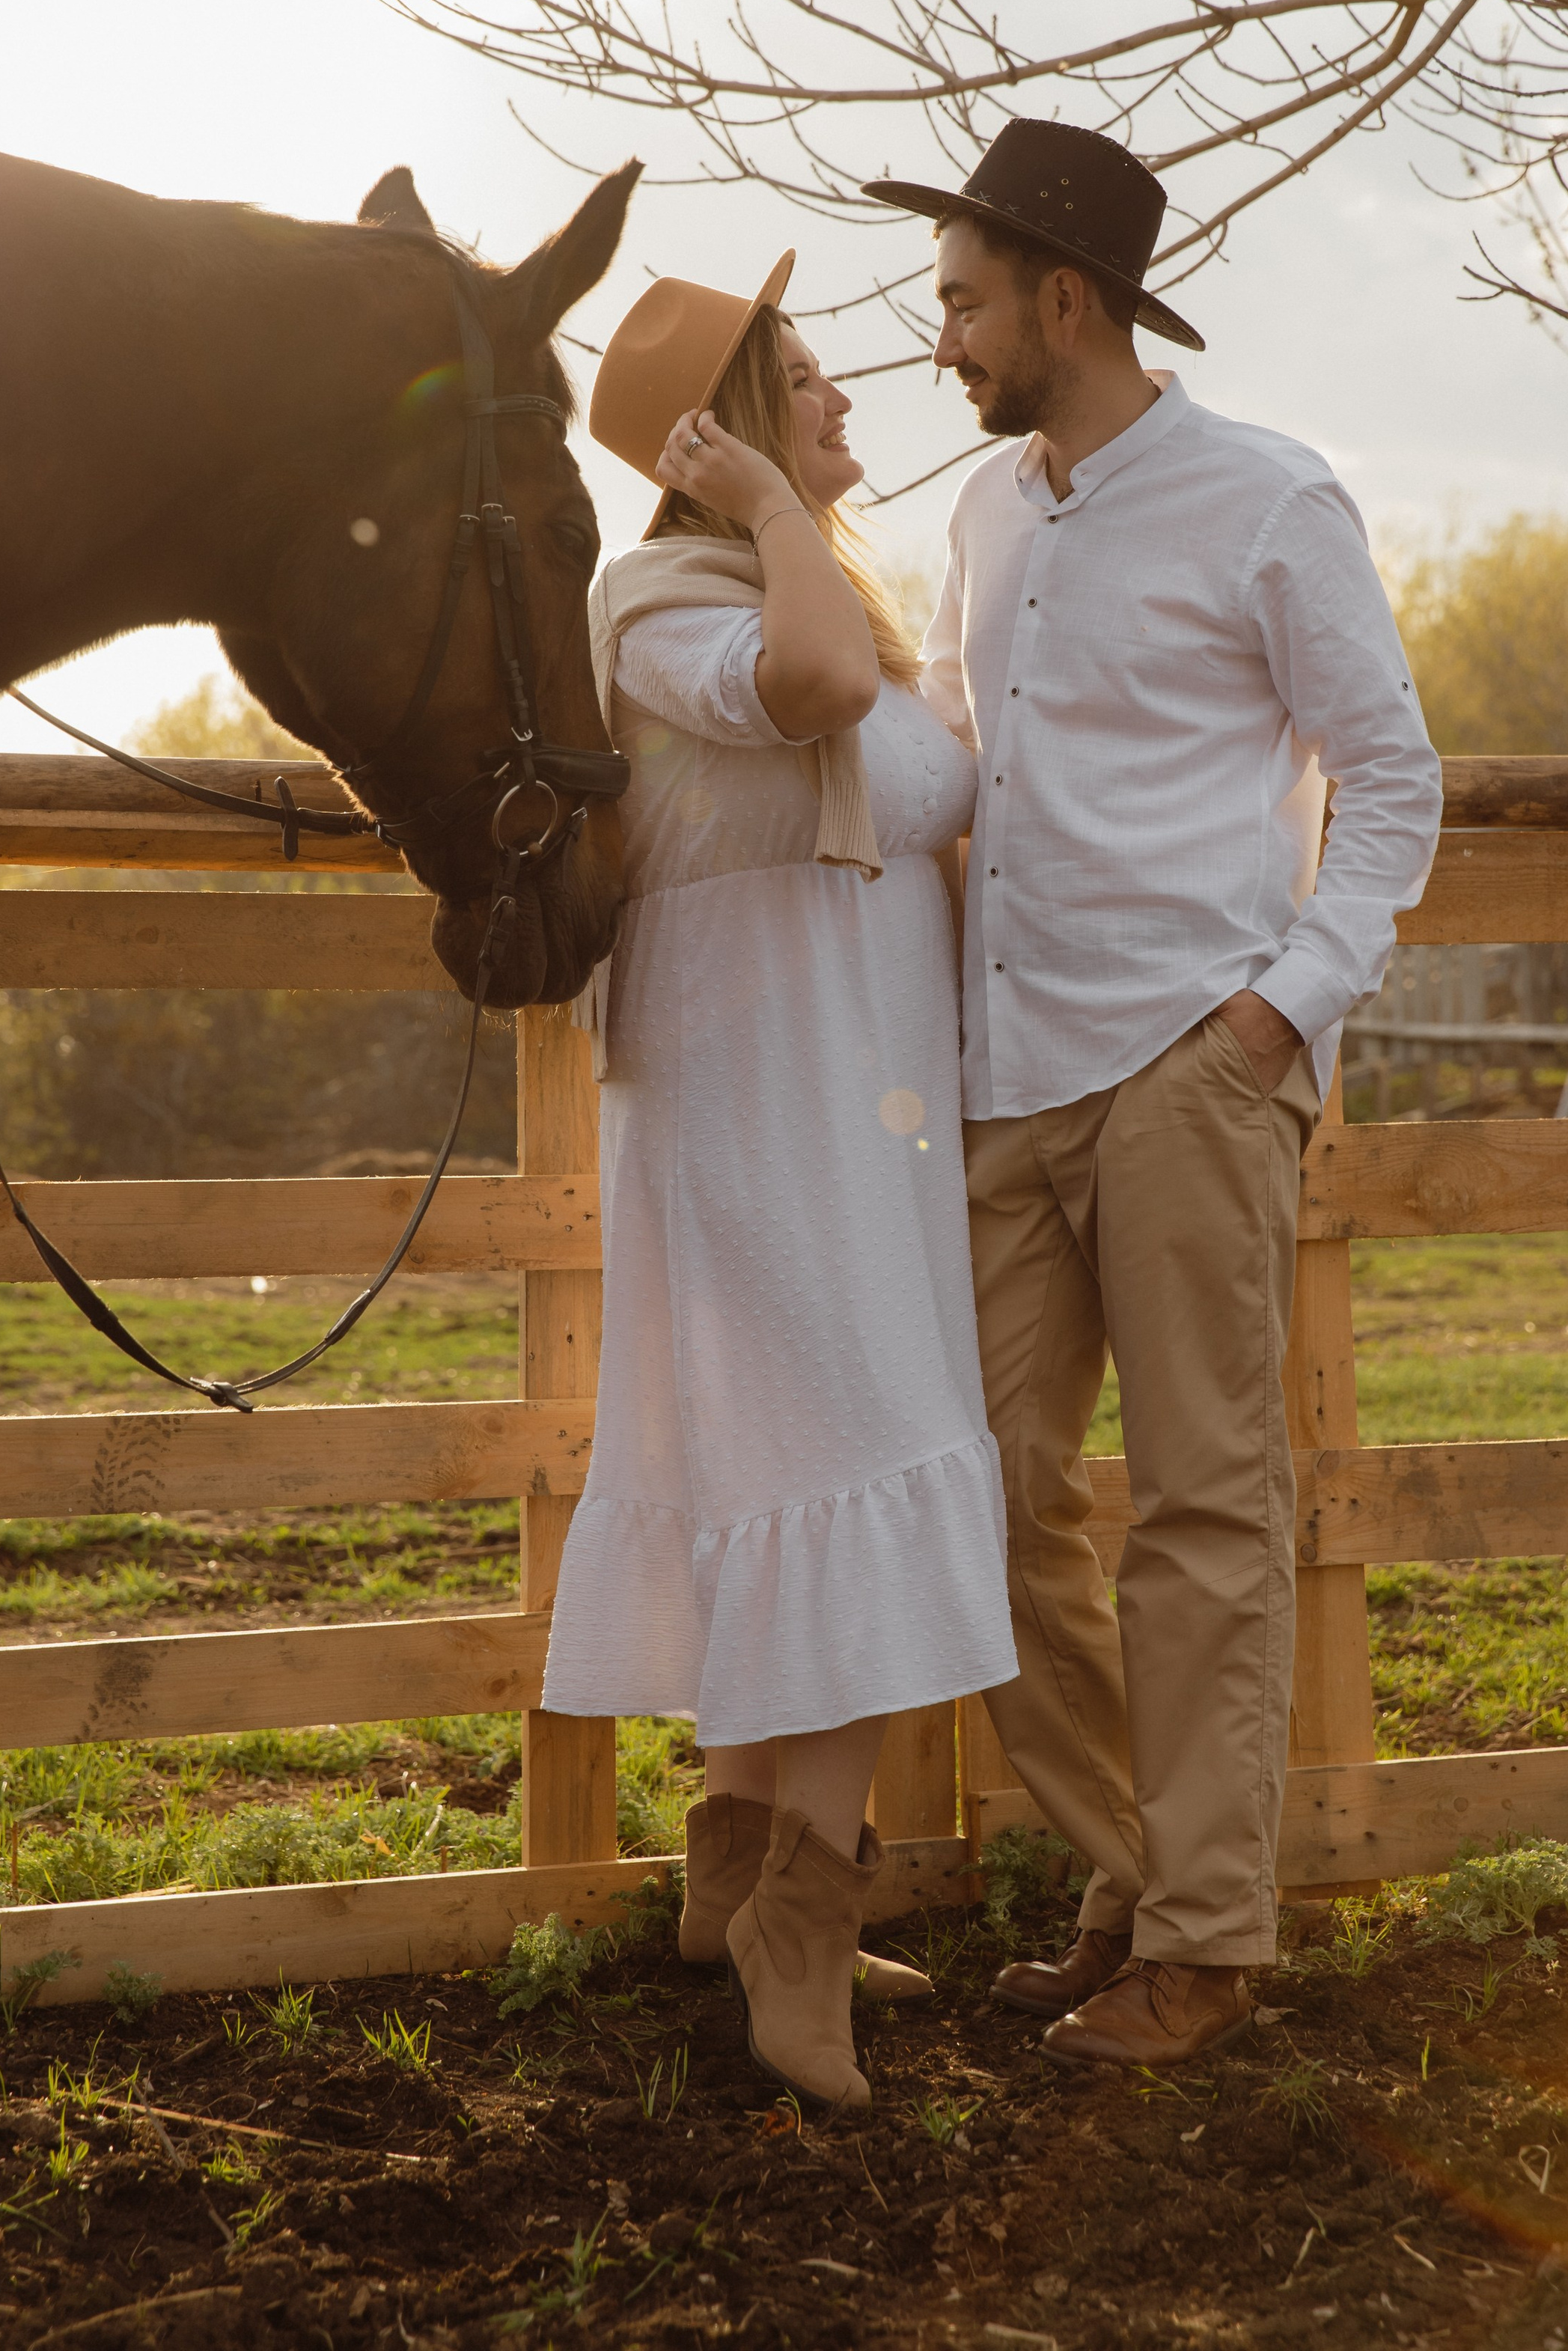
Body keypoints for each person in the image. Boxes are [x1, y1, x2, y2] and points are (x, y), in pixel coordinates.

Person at [861, 118, 1442, 2070]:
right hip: (1006, 1079)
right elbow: (962, 773)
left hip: (1196, 1061)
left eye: (960, 300)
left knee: (1202, 1513)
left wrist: (1283, 1013)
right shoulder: (983, 518)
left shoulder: (1270, 502)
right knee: (989, 1499)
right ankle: (1138, 1866)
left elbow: (1393, 775)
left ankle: (1204, 1948)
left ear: (1065, 299)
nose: (939, 335)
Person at [541, 250, 1018, 2113]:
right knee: (858, 1463)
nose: (841, 401)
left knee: (807, 1469)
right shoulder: (654, 598)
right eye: (801, 384)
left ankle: (734, 1879)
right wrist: (749, 508)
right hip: (757, 1114)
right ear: (719, 435)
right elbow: (810, 689)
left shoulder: (808, 585)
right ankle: (795, 1931)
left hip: (858, 1115)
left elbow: (905, 752)